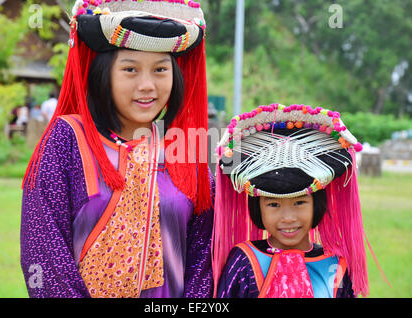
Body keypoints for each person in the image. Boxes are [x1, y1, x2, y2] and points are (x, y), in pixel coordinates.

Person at [21, 0, 213, 298]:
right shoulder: (68, 139)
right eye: (130, 69)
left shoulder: (185, 150)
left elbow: (204, 258)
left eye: (161, 69)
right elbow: (44, 248)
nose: (148, 85)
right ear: (103, 74)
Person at [212, 104, 370, 298]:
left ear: (317, 204)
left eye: (299, 203)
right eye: (273, 204)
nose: (288, 218)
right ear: (257, 207)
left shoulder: (334, 266)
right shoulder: (246, 260)